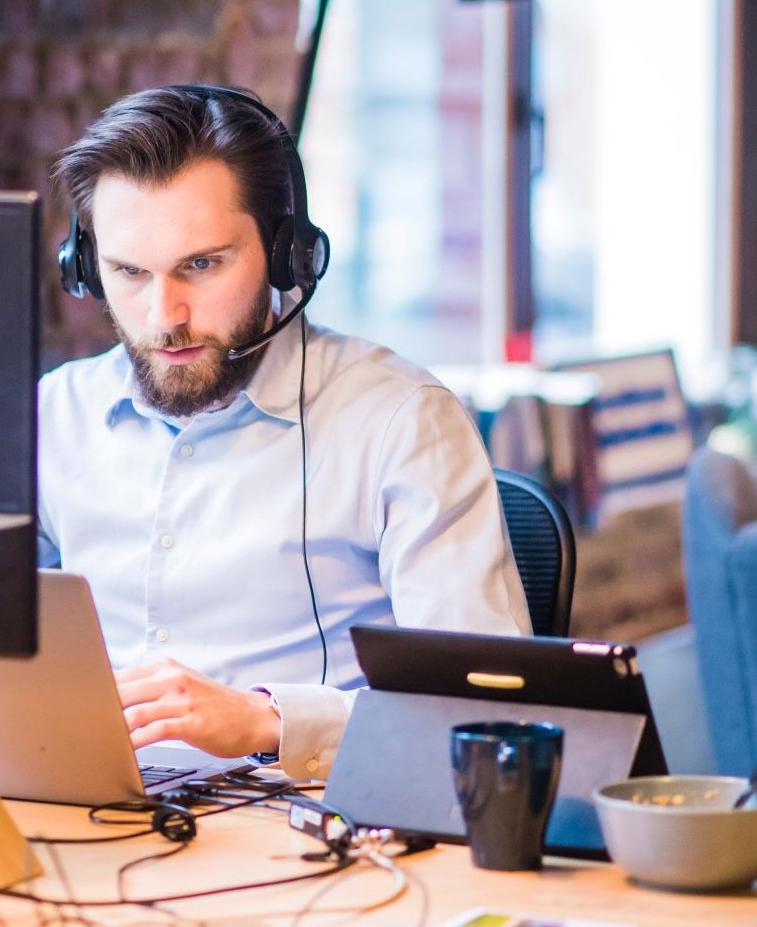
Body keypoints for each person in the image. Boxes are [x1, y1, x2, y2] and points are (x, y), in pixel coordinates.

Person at [36, 84, 530, 779]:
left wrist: (269, 720)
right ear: (85, 266)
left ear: (287, 252)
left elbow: (488, 708)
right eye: (128, 272)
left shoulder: (400, 420)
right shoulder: (53, 418)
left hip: (305, 838)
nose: (163, 315)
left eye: (201, 265)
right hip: (83, 822)